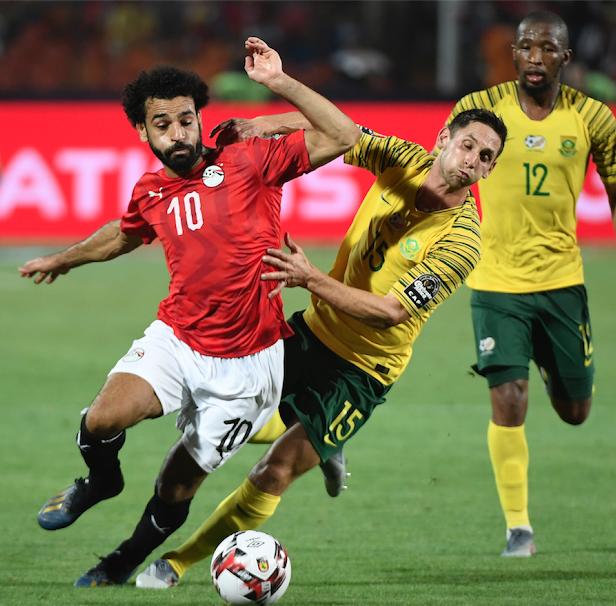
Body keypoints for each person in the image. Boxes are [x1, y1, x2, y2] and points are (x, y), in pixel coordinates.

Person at [18, 37, 360, 586]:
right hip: (177, 339)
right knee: (99, 421)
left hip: (249, 365)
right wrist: (65, 257)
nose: (177, 134)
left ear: (201, 119)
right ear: (143, 132)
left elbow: (344, 135)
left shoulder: (249, 158)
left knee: (175, 487)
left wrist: (274, 97)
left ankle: (122, 561)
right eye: (162, 124)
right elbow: (123, 236)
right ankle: (100, 483)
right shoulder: (151, 189)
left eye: (185, 120)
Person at [127, 107, 508, 589]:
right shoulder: (402, 159)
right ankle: (328, 447)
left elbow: (390, 311)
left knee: (275, 470)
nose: (472, 159)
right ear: (443, 139)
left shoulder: (463, 240)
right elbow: (338, 130)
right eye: (468, 145)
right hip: (308, 334)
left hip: (361, 371)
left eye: (485, 156)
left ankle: (177, 562)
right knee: (231, 427)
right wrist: (265, 125)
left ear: (491, 169)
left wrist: (311, 279)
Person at [444, 11, 616, 557]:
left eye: (547, 48)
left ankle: (544, 356)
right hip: (495, 283)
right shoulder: (481, 111)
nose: (535, 57)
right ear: (513, 53)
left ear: (565, 57)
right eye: (526, 47)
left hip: (563, 282)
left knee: (574, 412)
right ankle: (519, 527)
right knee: (508, 400)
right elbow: (442, 173)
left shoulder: (593, 118)